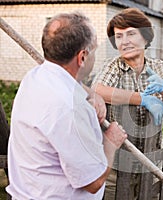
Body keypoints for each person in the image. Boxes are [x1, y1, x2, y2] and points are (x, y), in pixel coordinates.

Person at [6, 12, 127, 200]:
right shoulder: (71, 109)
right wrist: (111, 142)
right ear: (83, 57)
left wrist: (91, 93)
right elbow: (93, 182)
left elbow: (68, 83)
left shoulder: (34, 77)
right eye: (94, 50)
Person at [90, 8, 163, 199]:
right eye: (119, 36)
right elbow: (97, 90)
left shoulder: (159, 67)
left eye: (131, 34)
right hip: (115, 164)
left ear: (145, 38)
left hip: (151, 162)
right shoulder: (114, 66)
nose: (125, 41)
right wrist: (142, 98)